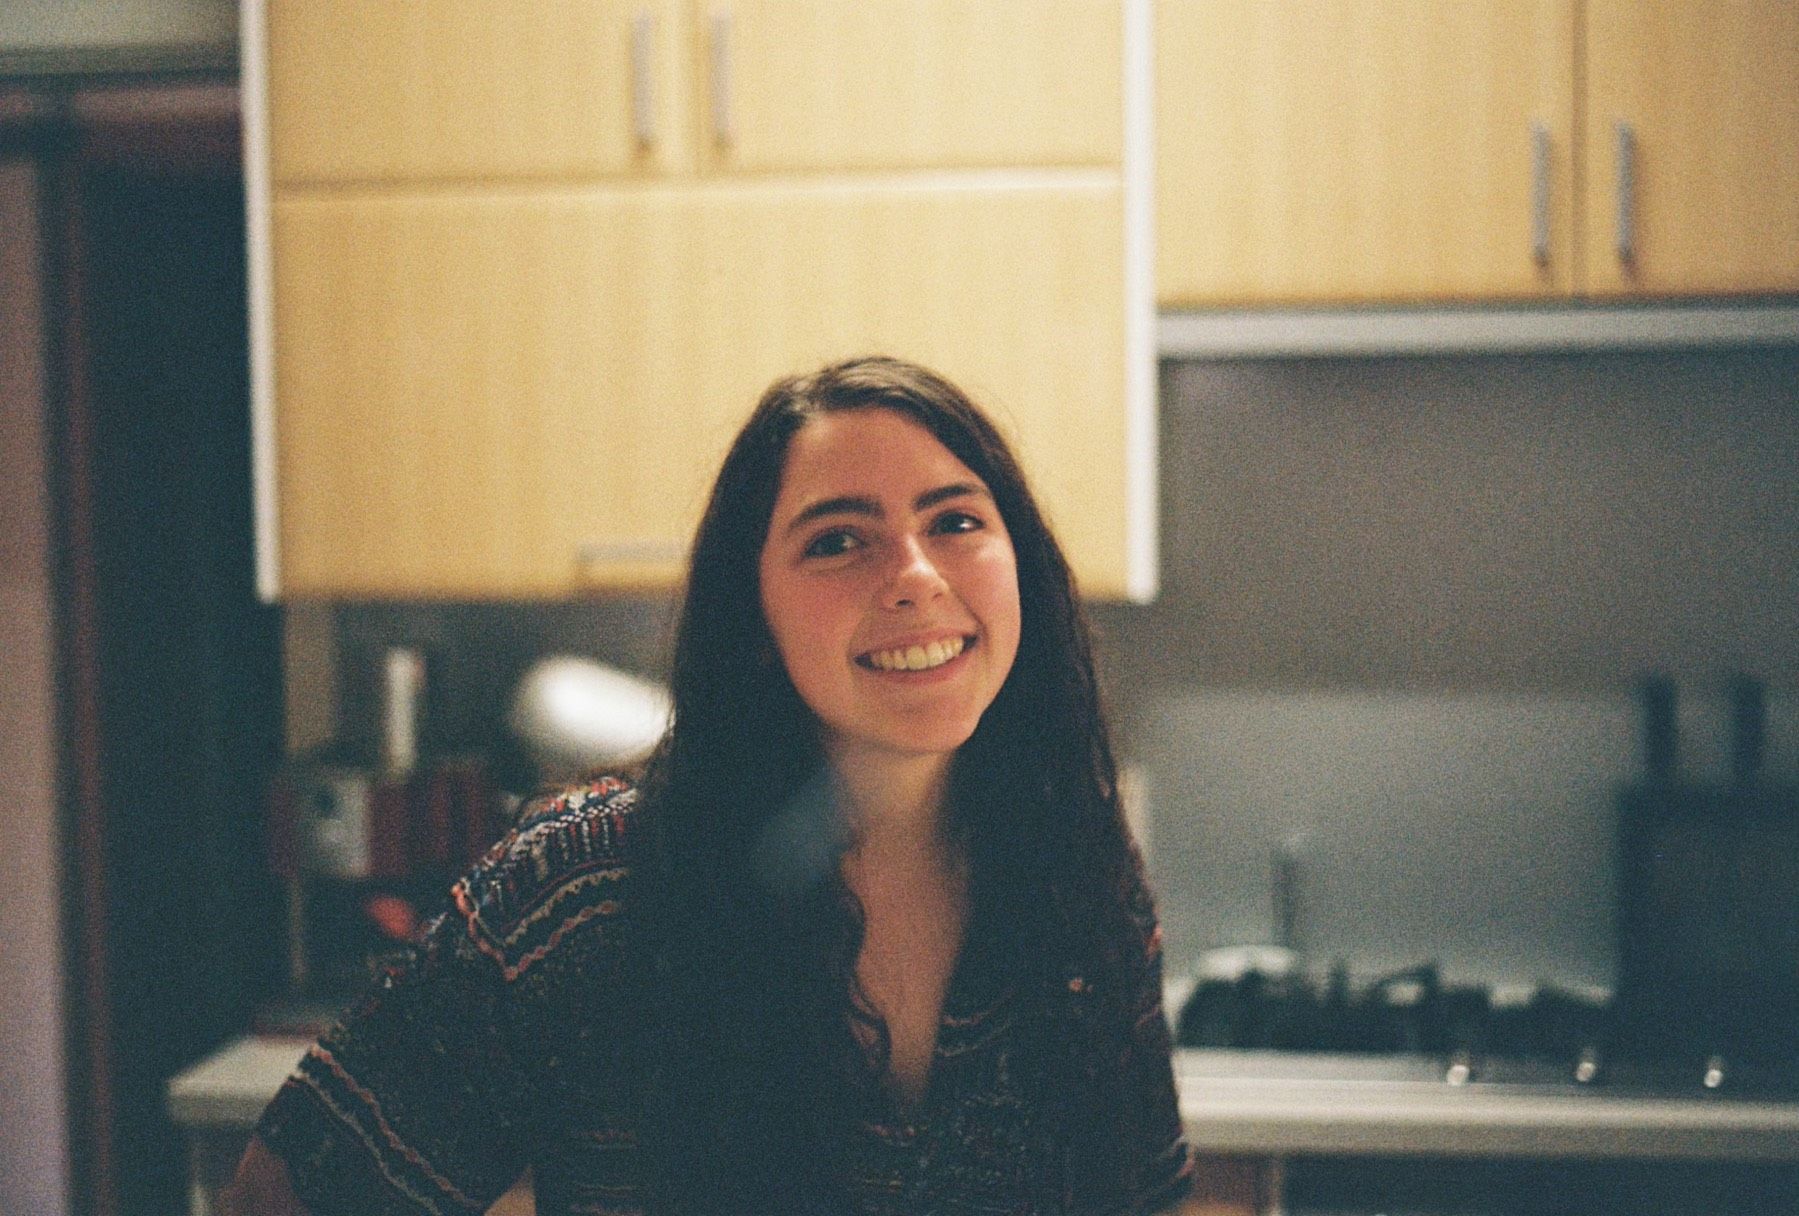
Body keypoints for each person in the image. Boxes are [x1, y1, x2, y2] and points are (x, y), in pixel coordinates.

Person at [226, 356, 1240, 1214]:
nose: (916, 574)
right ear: (751, 617)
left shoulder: (1079, 874)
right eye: (838, 539)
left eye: (956, 521)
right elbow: (287, 1192)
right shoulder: (583, 892)